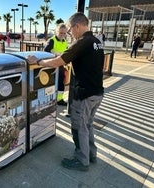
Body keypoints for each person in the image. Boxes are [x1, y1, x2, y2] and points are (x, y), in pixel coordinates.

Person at [27, 12, 104, 171]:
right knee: (88, 124)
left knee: (79, 127)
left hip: (84, 94)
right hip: (97, 92)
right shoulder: (97, 41)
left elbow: (58, 62)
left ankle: (82, 160)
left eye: (70, 30)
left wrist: (39, 61)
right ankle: (91, 154)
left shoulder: (82, 42)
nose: (70, 34)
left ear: (77, 26)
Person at [44, 23, 68, 106]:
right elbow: (45, 51)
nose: (62, 35)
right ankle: (49, 100)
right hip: (52, 65)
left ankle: (59, 99)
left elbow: (65, 52)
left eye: (64, 33)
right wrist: (55, 54)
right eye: (61, 33)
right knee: (51, 83)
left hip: (60, 65)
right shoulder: (52, 40)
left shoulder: (65, 41)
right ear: (56, 32)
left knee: (61, 82)